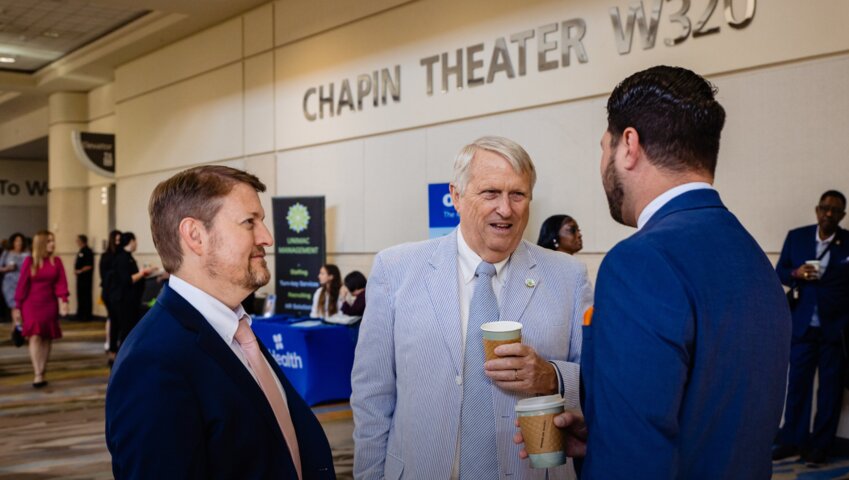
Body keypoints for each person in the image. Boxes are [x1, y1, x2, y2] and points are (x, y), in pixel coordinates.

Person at [518, 66, 791, 479]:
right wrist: (601, 437)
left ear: (629, 145)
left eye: (603, 147)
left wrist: (614, 450)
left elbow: (633, 461)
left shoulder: (640, 261)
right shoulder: (752, 257)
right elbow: (714, 419)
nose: (602, 163)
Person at [351, 136, 593, 479]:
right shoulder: (396, 270)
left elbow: (599, 382)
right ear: (457, 196)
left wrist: (551, 376)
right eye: (491, 193)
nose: (505, 209)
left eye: (518, 194)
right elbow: (371, 398)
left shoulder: (568, 276)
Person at [106, 165, 334, 479]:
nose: (267, 238)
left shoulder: (238, 332)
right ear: (195, 236)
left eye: (262, 222)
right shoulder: (151, 364)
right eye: (249, 222)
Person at [773, 190, 849, 465]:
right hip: (802, 327)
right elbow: (780, 270)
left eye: (835, 210)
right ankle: (791, 440)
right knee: (797, 388)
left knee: (830, 393)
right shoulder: (798, 236)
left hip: (835, 332)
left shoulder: (847, 243)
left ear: (842, 216)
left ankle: (820, 447)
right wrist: (796, 273)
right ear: (817, 210)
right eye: (825, 208)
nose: (829, 214)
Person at [12, 231, 69, 388]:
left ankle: (43, 368)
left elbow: (61, 283)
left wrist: (64, 300)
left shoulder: (56, 261)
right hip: (30, 304)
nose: (52, 244)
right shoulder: (30, 261)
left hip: (49, 304)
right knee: (35, 336)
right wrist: (17, 306)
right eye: (49, 241)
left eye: (53, 241)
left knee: (46, 336)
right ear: (42, 243)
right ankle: (37, 372)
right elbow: (22, 284)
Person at [107, 232, 155, 353]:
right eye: (136, 241)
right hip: (123, 300)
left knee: (124, 328)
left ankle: (121, 353)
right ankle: (122, 354)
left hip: (127, 299)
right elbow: (128, 280)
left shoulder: (127, 257)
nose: (137, 243)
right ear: (131, 241)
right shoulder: (123, 258)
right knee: (125, 329)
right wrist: (144, 272)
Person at [100, 229, 121, 361]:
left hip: (117, 292)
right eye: (117, 240)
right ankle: (111, 346)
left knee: (113, 320)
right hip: (109, 292)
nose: (118, 242)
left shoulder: (121, 255)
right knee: (112, 320)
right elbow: (103, 275)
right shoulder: (106, 256)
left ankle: (111, 345)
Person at [1, 232, 29, 317]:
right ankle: (17, 328)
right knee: (15, 307)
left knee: (24, 308)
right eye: (17, 240)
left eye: (21, 241)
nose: (19, 243)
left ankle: (21, 328)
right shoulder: (6, 253)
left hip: (25, 283)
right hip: (10, 284)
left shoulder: (27, 254)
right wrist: (7, 268)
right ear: (12, 242)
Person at [74, 234, 94, 321]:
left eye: (78, 240)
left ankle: (86, 315)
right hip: (80, 278)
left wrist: (81, 271)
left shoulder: (88, 251)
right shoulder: (81, 251)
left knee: (86, 296)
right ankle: (80, 314)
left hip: (86, 279)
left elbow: (89, 265)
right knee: (80, 296)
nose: (77, 242)